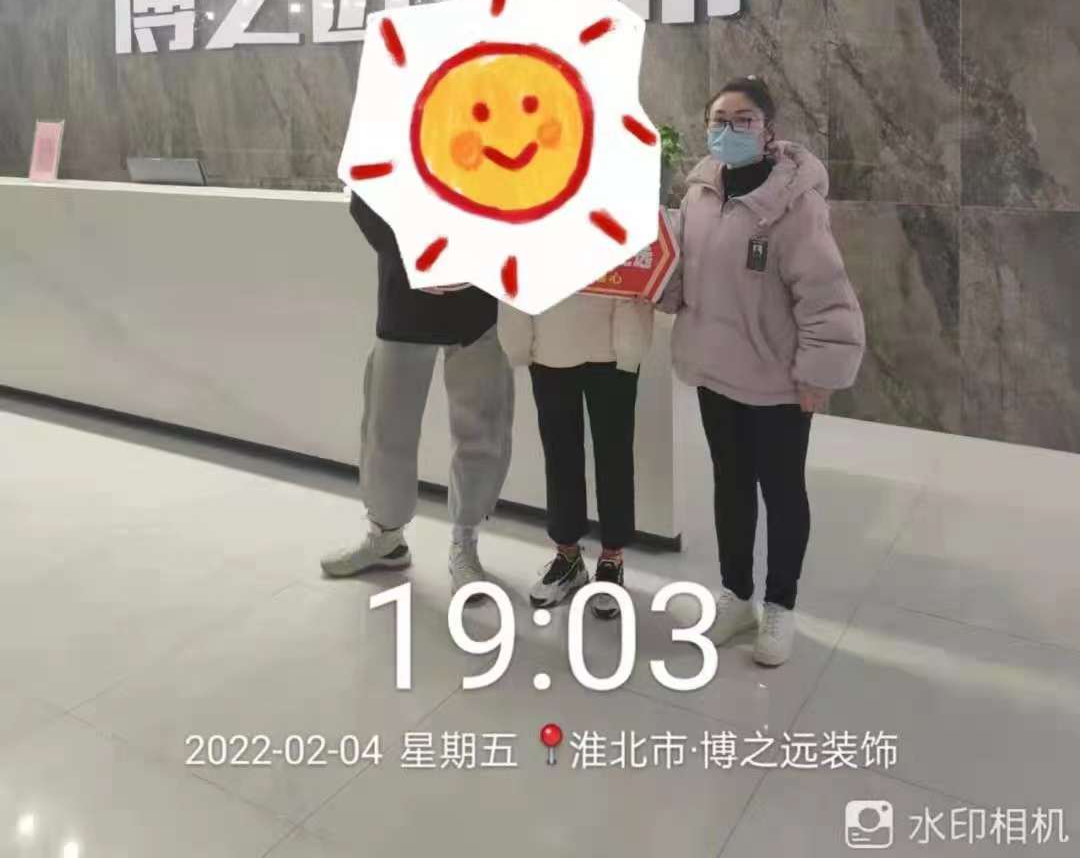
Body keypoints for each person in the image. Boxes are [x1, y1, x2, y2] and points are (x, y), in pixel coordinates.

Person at [659, 76, 864, 666]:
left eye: (743, 120)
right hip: (716, 372)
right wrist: (657, 281)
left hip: (777, 382)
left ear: (768, 131)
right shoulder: (700, 194)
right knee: (730, 485)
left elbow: (825, 295)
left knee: (782, 490)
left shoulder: (795, 205)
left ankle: (780, 604)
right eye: (718, 120)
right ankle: (736, 596)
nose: (729, 130)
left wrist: (818, 373)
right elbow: (685, 275)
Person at [321, 191, 515, 600]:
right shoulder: (391, 143)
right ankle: (386, 537)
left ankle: (465, 542)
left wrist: (482, 254)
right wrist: (415, 255)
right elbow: (364, 196)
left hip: (476, 300)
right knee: (386, 428)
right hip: (404, 298)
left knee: (481, 426)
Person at [498, 291, 653, 617]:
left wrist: (632, 339)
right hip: (550, 335)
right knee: (560, 454)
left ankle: (612, 558)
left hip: (613, 337)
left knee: (614, 452)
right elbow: (515, 265)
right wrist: (517, 336)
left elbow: (640, 266)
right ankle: (567, 556)